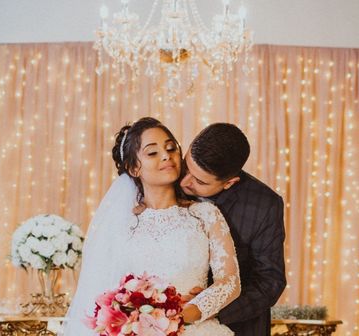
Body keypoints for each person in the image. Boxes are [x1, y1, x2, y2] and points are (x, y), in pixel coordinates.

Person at [64, 117, 241, 335]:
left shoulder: (206, 214)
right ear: (133, 168)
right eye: (152, 152)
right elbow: (104, 289)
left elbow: (230, 281)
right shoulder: (120, 223)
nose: (167, 155)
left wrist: (183, 314)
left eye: (170, 148)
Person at [179, 123, 286, 336]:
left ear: (229, 183)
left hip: (236, 326)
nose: (184, 181)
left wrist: (208, 306)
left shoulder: (264, 205)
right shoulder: (165, 179)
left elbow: (270, 281)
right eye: (186, 167)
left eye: (199, 181)